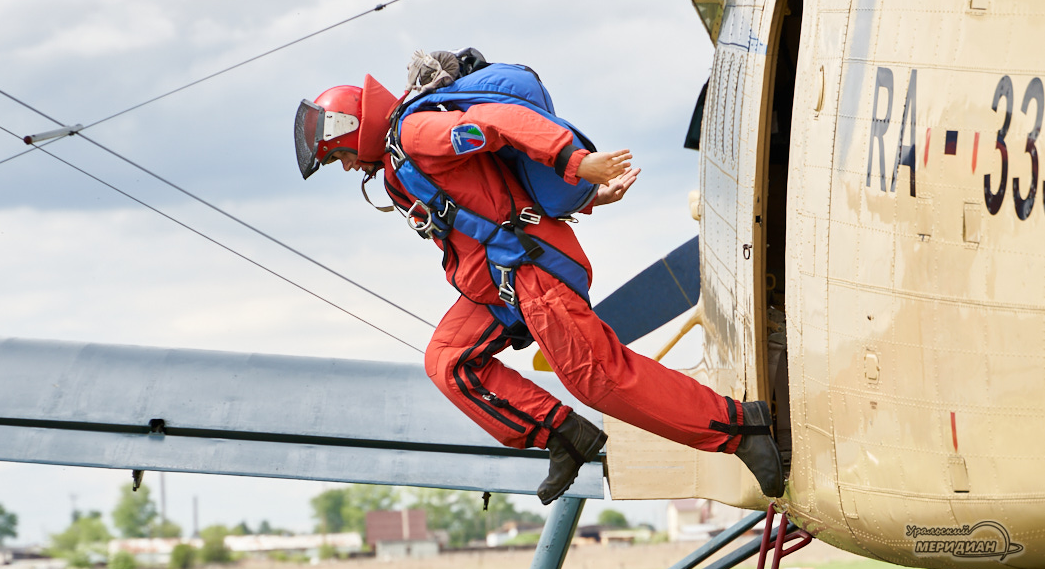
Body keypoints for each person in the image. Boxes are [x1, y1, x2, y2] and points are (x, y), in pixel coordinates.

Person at [293, 54, 784, 504]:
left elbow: (498, 122)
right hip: (496, 284)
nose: (347, 166)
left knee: (600, 378)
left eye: (339, 156)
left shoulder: (415, 133)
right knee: (447, 361)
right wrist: (590, 197)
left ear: (352, 131)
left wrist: (574, 161)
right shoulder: (398, 160)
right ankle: (564, 435)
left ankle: (741, 429)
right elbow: (490, 191)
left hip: (530, 272)